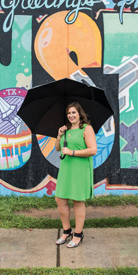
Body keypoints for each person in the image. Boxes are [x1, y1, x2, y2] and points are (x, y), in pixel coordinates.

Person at [54, 102, 97, 248]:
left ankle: (78, 234)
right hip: (66, 168)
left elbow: (92, 150)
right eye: (69, 113)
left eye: (74, 112)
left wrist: (72, 152)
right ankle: (67, 231)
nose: (71, 115)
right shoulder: (66, 130)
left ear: (80, 114)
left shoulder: (86, 129)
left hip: (80, 169)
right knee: (60, 199)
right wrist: (59, 135)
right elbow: (58, 149)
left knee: (78, 200)